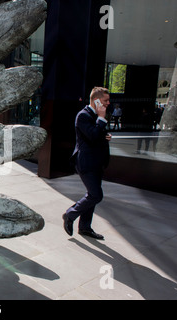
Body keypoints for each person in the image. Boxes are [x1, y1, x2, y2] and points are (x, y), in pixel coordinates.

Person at [63, 87, 112, 240]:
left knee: (91, 195)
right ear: (96, 100)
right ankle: (70, 214)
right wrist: (102, 119)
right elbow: (91, 135)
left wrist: (106, 136)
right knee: (96, 195)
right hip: (86, 162)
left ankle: (85, 227)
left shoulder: (97, 115)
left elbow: (97, 135)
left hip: (97, 162)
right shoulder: (83, 116)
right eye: (105, 101)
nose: (108, 103)